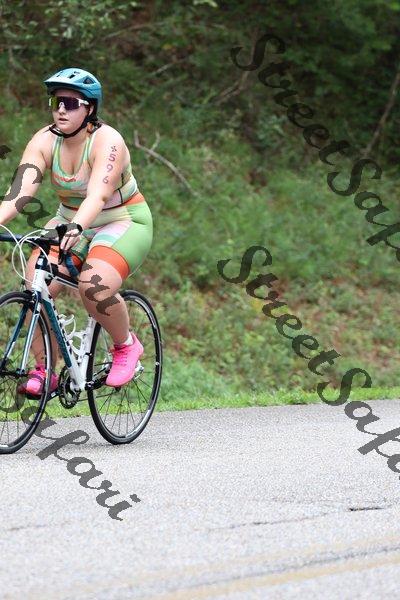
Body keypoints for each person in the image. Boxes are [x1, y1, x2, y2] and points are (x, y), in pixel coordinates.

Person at [0, 67, 153, 394]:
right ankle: (45, 369)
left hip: (121, 220)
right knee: (35, 285)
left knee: (93, 285)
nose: (61, 110)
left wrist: (78, 226)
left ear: (90, 108)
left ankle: (126, 345)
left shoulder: (108, 141)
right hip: (69, 222)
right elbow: (19, 194)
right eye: (56, 102)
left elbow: (98, 194)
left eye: (70, 103)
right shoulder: (44, 141)